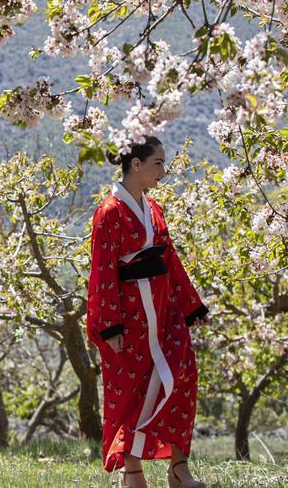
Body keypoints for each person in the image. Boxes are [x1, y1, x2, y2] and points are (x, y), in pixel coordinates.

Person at [86, 136, 209, 488]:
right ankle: (133, 472)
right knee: (131, 389)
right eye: (157, 162)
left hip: (164, 308)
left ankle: (179, 468)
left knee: (183, 375)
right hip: (129, 315)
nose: (163, 170)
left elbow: (168, 257)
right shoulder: (109, 212)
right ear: (135, 164)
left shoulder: (154, 208)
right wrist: (109, 325)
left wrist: (191, 304)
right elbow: (102, 271)